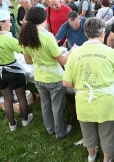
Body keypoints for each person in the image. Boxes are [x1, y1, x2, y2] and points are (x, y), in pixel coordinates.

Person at [63, 17, 114, 162]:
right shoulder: (109, 52)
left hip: (84, 101)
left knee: (88, 131)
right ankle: (106, 158)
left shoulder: (74, 53)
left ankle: (91, 155)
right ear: (103, 34)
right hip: (106, 102)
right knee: (108, 132)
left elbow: (66, 83)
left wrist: (82, 84)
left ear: (85, 33)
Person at [19, 7, 72, 139]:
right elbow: (62, 61)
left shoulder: (25, 35)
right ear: (44, 19)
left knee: (45, 105)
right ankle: (60, 132)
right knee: (57, 107)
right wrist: (71, 52)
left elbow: (28, 61)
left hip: (39, 76)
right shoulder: (47, 37)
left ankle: (50, 129)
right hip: (54, 78)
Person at [0, 10, 33, 132]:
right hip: (14, 72)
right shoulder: (9, 39)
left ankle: (12, 124)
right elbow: (25, 52)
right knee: (21, 96)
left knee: (7, 99)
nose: (11, 24)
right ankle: (25, 119)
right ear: (1, 24)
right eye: (9, 22)